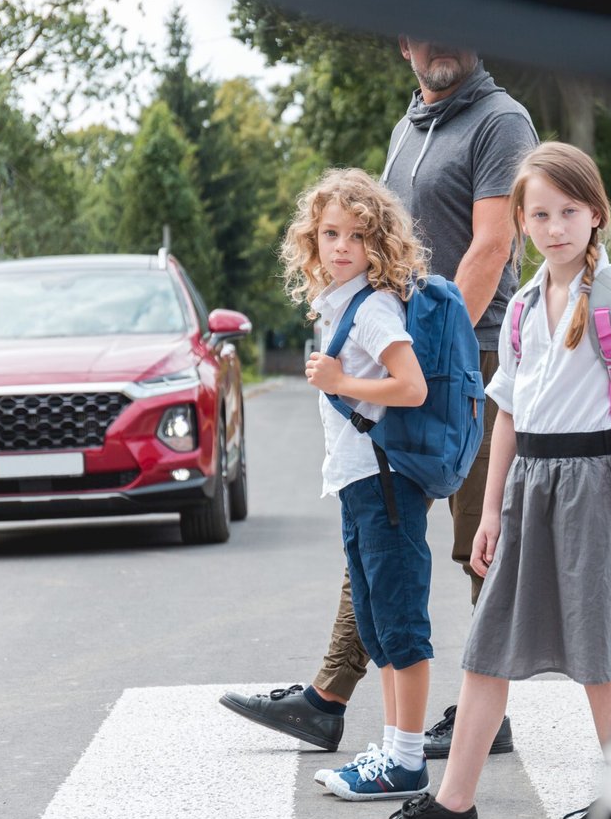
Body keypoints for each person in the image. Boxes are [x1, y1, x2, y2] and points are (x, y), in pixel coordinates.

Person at [362, 141, 611, 819]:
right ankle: (455, 803)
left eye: (568, 211)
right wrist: (490, 510)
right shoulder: (518, 308)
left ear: (596, 214)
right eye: (539, 214)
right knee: (487, 649)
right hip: (530, 490)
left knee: (597, 660)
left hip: (598, 490)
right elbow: (506, 414)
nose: (554, 227)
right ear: (520, 221)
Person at [220, 39, 538, 756]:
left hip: (470, 358)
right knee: (379, 520)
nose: (440, 43)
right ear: (403, 42)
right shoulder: (409, 129)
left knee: (478, 540)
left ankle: (487, 708)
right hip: (410, 353)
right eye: (423, 30)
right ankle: (327, 697)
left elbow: (491, 245)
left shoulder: (501, 121)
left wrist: (430, 353)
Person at [277, 167, 437, 801]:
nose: (341, 246)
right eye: (329, 234)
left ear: (380, 243)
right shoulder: (340, 304)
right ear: (311, 242)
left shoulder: (373, 309)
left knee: (400, 626)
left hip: (385, 482)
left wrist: (341, 382)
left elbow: (412, 386)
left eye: (357, 235)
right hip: (360, 483)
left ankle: (406, 759)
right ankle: (396, 749)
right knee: (376, 626)